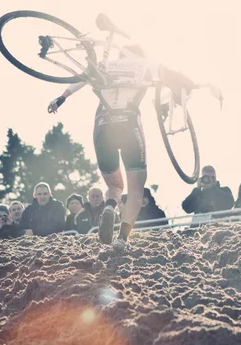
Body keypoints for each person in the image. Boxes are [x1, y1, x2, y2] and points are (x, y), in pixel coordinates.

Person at [47, 42, 196, 251]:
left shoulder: (106, 66)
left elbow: (80, 78)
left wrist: (61, 99)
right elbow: (177, 82)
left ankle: (109, 206)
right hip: (128, 126)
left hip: (101, 128)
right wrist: (187, 87)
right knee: (136, 188)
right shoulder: (145, 66)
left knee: (115, 186)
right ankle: (122, 238)